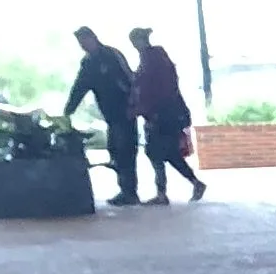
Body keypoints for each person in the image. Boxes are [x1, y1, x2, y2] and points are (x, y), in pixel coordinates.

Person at [64, 23, 140, 203]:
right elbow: (80, 86)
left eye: (84, 41)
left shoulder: (111, 55)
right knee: (115, 150)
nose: (83, 46)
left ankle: (129, 192)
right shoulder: (88, 62)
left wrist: (133, 104)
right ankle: (126, 189)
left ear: (93, 38)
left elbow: (130, 79)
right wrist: (68, 110)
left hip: (125, 112)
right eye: (80, 43)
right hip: (111, 115)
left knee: (126, 150)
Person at [128, 25, 204, 201]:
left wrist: (143, 109)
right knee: (165, 153)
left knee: (157, 152)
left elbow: (154, 90)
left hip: (162, 115)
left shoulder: (151, 60)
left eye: (134, 41)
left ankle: (164, 193)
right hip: (165, 114)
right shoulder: (155, 58)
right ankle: (187, 185)